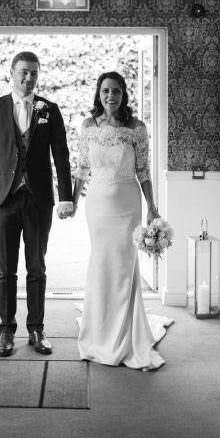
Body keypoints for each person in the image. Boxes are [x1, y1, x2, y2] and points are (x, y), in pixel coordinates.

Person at [0, 51, 73, 357]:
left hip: (39, 199)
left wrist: (66, 196)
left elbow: (61, 156)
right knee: (5, 268)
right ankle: (6, 330)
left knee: (36, 267)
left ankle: (36, 329)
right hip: (3, 198)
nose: (28, 78)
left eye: (34, 73)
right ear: (12, 73)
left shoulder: (49, 110)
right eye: (23, 72)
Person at [72, 71, 173, 370]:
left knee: (124, 265)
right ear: (98, 94)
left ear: (123, 94)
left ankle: (125, 331)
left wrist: (152, 206)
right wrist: (73, 201)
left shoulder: (136, 128)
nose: (110, 96)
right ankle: (100, 328)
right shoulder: (88, 126)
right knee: (102, 262)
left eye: (115, 91)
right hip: (97, 206)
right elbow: (82, 168)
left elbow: (143, 171)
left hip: (128, 205)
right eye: (105, 91)